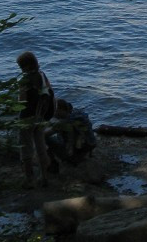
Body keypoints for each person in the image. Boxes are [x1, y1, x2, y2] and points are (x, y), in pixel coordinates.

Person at [16, 51, 52, 187]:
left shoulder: (23, 80)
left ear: (25, 66)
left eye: (20, 66)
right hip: (41, 116)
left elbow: (22, 102)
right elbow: (49, 91)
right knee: (40, 145)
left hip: (26, 118)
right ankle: (44, 177)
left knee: (25, 147)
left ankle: (29, 179)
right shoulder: (42, 75)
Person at [45, 99, 96, 172]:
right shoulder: (77, 113)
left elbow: (45, 134)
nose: (53, 114)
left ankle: (53, 163)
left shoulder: (63, 123)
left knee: (45, 138)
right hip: (90, 144)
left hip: (74, 154)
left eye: (54, 111)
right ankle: (83, 154)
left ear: (60, 110)